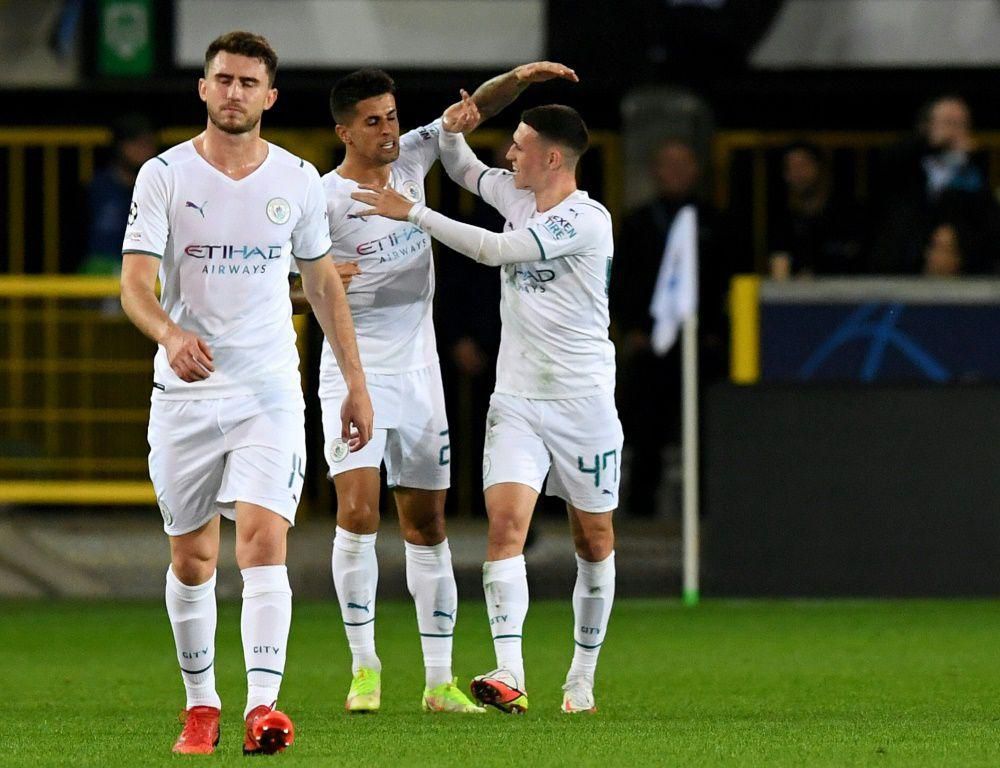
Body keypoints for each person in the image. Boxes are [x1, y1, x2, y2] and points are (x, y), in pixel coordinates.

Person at [119, 31, 373, 755]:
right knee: (192, 559)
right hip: (186, 394)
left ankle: (264, 707)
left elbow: (322, 285)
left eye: (247, 82)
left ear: (270, 96)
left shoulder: (296, 179)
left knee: (264, 543)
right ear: (203, 89)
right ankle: (202, 706)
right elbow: (135, 286)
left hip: (268, 390)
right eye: (222, 79)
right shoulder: (164, 176)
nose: (234, 92)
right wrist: (170, 335)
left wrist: (355, 384)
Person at [319, 62, 578, 715]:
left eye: (392, 116)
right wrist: (314, 286)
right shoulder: (318, 198)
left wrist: (519, 78)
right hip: (353, 370)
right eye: (374, 121)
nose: (388, 130)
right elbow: (280, 281)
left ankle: (439, 683)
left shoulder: (410, 158)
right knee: (356, 512)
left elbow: (471, 112)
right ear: (344, 129)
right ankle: (365, 668)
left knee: (427, 524)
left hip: (420, 371)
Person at [611, 137, 732, 517]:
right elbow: (620, 279)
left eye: (685, 164)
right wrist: (632, 328)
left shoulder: (717, 220)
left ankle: (707, 515)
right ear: (655, 172)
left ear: (697, 171)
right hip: (651, 345)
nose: (676, 172)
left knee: (705, 431)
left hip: (704, 344)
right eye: (668, 164)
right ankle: (641, 514)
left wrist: (716, 332)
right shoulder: (637, 222)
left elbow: (728, 280)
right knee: (647, 434)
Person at [873, 95, 1000, 274]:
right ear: (926, 125)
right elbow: (886, 172)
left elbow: (985, 219)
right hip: (904, 260)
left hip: (960, 266)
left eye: (961, 124)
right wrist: (931, 143)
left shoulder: (973, 168)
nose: (954, 131)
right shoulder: (906, 160)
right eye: (948, 122)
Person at [767, 141, 865, 279]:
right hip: (800, 297)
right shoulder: (784, 220)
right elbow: (779, 272)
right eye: (791, 168)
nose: (797, 174)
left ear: (819, 168)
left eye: (803, 166)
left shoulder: (848, 213)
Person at [80, 114, 158, 275]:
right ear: (119, 145)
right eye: (135, 143)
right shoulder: (98, 187)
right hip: (103, 270)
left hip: (148, 265)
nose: (142, 149)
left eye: (148, 143)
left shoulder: (161, 187)